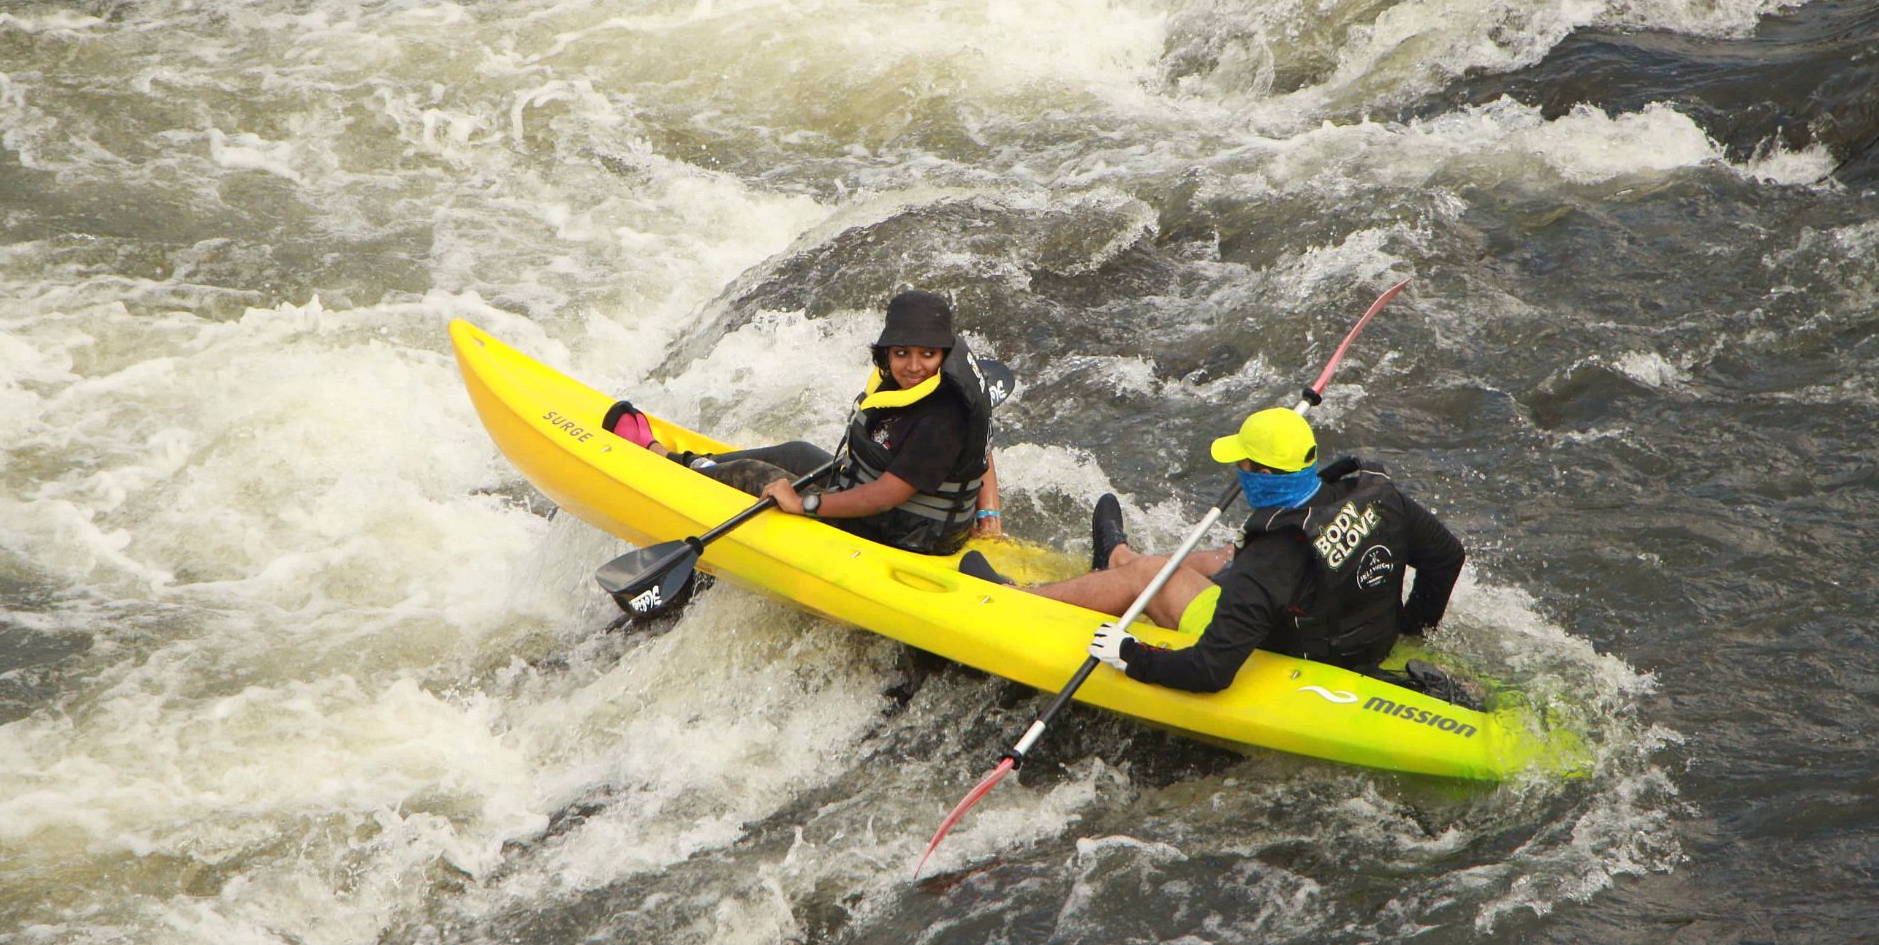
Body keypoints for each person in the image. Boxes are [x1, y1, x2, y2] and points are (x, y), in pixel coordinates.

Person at [970, 406, 1464, 694]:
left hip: (1307, 651)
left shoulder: (1268, 563)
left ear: (1266, 474)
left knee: (1154, 575)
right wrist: (1407, 629)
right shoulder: (1377, 495)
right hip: (1359, 631)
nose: (1239, 475)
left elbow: (1211, 670)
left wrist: (1130, 654)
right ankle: (1115, 562)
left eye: (1244, 466)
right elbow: (1446, 558)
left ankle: (1023, 596)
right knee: (1228, 553)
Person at [603, 290, 1003, 556]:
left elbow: (887, 494)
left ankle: (665, 460)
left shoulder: (941, 418)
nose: (913, 366)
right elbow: (982, 448)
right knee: (795, 453)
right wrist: (988, 515)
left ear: (944, 353)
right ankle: (689, 462)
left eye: (927, 355)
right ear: (886, 352)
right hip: (891, 513)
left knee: (756, 477)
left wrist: (807, 504)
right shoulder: (929, 380)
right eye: (901, 353)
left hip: (907, 536)